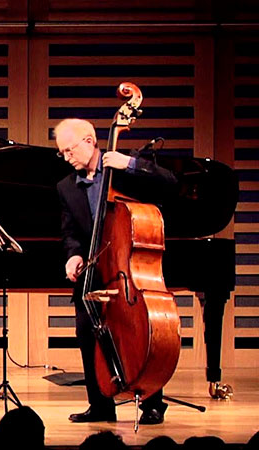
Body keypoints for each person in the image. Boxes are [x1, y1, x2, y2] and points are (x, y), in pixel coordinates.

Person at [54, 118, 178, 425]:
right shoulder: (66, 187)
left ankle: (151, 402)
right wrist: (73, 255)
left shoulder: (124, 170)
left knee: (140, 333)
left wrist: (131, 164)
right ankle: (100, 405)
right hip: (95, 270)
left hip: (127, 270)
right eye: (62, 152)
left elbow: (170, 183)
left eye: (70, 150)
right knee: (87, 333)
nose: (67, 157)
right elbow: (70, 233)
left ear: (89, 141)